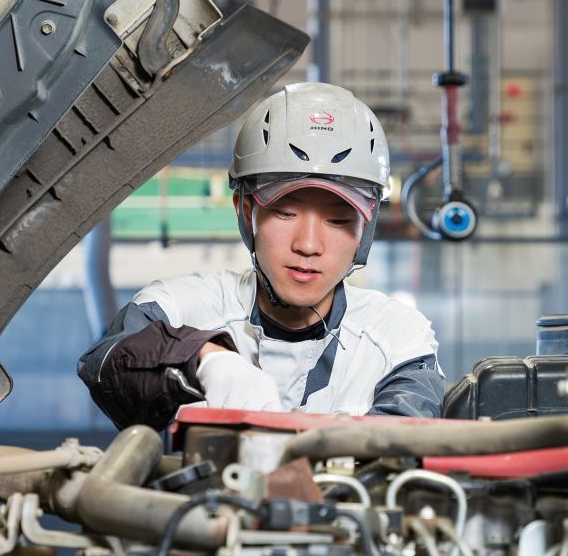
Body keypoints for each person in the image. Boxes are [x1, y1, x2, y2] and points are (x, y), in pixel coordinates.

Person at [77, 82, 444, 430]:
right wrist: (203, 357)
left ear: (365, 228)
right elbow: (106, 366)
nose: (308, 245)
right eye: (285, 213)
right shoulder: (181, 307)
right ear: (246, 211)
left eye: (338, 219)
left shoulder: (396, 338)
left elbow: (407, 433)